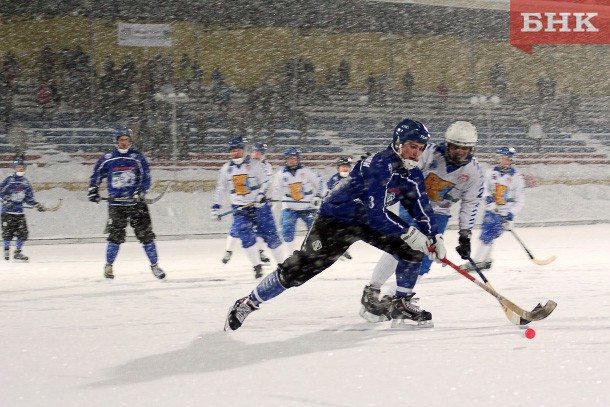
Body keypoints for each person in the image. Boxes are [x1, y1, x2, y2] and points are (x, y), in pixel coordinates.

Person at [224, 119, 446, 331]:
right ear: (398, 144)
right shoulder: (380, 164)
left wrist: (435, 237)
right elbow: (378, 215)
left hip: (366, 218)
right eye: (412, 146)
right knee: (299, 270)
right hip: (336, 219)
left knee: (412, 249)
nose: (416, 153)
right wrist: (410, 233)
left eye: (420, 148)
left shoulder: (413, 173)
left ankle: (401, 303)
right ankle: (248, 302)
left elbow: (420, 207)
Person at [360, 121, 484, 322]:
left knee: (425, 260)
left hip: (440, 215)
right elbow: (404, 167)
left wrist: (465, 235)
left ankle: (396, 298)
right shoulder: (430, 153)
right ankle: (372, 290)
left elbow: (470, 204)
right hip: (414, 206)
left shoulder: (474, 173)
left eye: (465, 148)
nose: (460, 151)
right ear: (447, 144)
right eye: (455, 146)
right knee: (400, 247)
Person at [88, 127, 166, 280]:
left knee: (146, 236)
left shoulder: (137, 158)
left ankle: (155, 265)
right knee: (115, 236)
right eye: (121, 140)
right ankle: (109, 266)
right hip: (116, 206)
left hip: (137, 204)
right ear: (117, 141)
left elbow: (146, 178)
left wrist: (141, 192)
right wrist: (93, 190)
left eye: (126, 139)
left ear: (130, 141)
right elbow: (96, 175)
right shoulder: (108, 158)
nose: (124, 142)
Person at [211, 137, 286, 279]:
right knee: (246, 237)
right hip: (240, 209)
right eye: (233, 151)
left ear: (243, 151)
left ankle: (284, 266)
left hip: (259, 207)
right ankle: (257, 267)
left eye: (238, 150)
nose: (236, 153)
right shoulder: (226, 169)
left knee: (271, 235)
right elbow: (221, 189)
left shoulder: (255, 164)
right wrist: (215, 207)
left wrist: (261, 195)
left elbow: (265, 182)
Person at [463, 147, 525, 271]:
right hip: (491, 211)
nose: (504, 161)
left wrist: (511, 215)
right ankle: (486, 260)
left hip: (505, 214)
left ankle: (477, 261)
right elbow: (484, 188)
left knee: (488, 235)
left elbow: (520, 200)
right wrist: (489, 200)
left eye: (507, 159)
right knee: (486, 235)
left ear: (512, 160)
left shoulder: (517, 177)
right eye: (502, 158)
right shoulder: (491, 172)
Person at [272, 147, 325, 253]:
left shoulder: (306, 171)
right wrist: (270, 200)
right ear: (286, 160)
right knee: (286, 230)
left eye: (294, 158)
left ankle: (320, 251)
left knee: (315, 230)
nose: (292, 160)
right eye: (290, 158)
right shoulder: (281, 174)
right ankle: (291, 255)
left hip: (308, 207)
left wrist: (318, 196)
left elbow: (320, 183)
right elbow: (276, 191)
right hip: (290, 208)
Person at [1, 158, 47, 261]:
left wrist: (36, 205)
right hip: (7, 212)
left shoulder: (25, 183)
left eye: (22, 167)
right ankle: (6, 250)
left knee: (22, 233)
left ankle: (18, 252)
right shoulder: (9, 180)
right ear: (14, 168)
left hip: (19, 213)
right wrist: (6, 200)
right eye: (18, 167)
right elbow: (1, 193)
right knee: (7, 233)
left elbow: (29, 198)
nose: (20, 169)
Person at [326, 156, 353, 260]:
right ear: (338, 168)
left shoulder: (353, 178)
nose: (345, 169)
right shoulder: (334, 179)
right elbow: (329, 193)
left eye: (347, 167)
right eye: (343, 166)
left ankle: (342, 248)